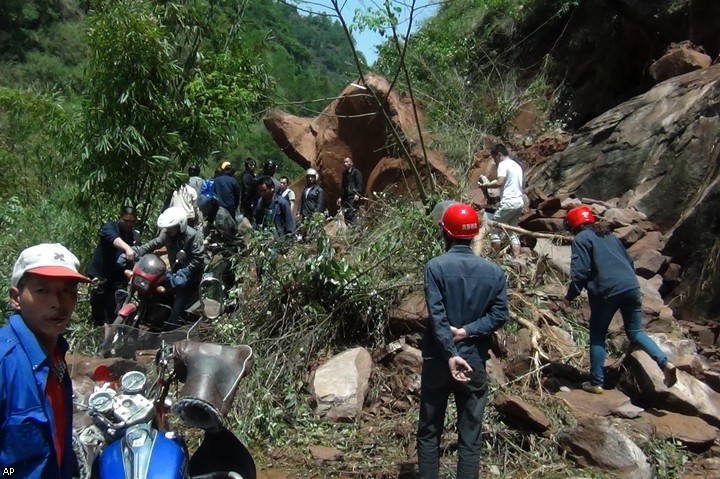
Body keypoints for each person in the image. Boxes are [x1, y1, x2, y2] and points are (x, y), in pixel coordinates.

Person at [418, 203, 508, 479]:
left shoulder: (435, 267)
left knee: (429, 431)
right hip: (473, 362)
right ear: (473, 234)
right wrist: (468, 332)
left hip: (439, 361)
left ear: (445, 233)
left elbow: (437, 315)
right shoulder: (494, 273)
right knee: (470, 436)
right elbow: (500, 314)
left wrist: (449, 350)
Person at [1, 243, 93, 478]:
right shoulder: (5, 363)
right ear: (16, 298)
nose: (58, 303)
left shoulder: (56, 357)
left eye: (67, 291)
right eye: (42, 291)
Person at [563, 205, 677, 394]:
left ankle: (596, 382)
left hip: (607, 291)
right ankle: (665, 363)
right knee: (635, 332)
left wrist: (569, 297)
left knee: (598, 336)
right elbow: (629, 262)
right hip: (631, 286)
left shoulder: (581, 239)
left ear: (573, 224)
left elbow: (580, 272)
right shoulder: (609, 236)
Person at [134, 206, 206, 328]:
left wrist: (186, 271)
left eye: (171, 228)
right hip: (175, 271)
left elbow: (198, 259)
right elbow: (154, 243)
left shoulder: (193, 236)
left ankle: (170, 333)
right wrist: (138, 251)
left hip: (190, 276)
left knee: (178, 306)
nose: (168, 230)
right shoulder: (167, 234)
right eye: (167, 228)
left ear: (180, 225)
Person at [87, 206, 139, 339]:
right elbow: (114, 239)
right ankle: (99, 331)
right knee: (98, 304)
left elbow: (133, 256)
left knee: (115, 306)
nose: (128, 224)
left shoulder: (134, 235)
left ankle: (114, 336)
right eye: (126, 220)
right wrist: (127, 248)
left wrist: (130, 269)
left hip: (118, 277)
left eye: (132, 221)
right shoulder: (109, 228)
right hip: (101, 273)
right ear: (119, 218)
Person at [478, 144, 524, 256]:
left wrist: (487, 186)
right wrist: (488, 184)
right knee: (513, 232)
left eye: (494, 158)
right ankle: (517, 258)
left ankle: (494, 257)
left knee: (495, 230)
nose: (495, 161)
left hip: (508, 202)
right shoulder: (516, 165)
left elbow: (499, 182)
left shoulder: (503, 164)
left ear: (499, 155)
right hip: (519, 202)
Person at [338, 156, 363, 225]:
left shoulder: (356, 172)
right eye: (344, 162)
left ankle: (355, 229)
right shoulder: (344, 174)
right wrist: (341, 197)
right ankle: (349, 229)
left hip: (353, 197)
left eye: (347, 162)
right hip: (346, 198)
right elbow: (343, 186)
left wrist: (357, 194)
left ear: (351, 163)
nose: (345, 164)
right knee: (346, 214)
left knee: (352, 214)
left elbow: (359, 183)